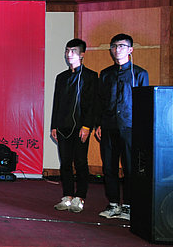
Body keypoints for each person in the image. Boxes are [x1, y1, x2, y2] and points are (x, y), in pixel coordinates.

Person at [95, 33, 148, 221]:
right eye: (114, 46)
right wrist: (98, 124)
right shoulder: (106, 74)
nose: (117, 49)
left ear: (130, 50)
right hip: (108, 125)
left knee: (130, 167)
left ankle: (129, 205)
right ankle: (113, 203)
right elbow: (100, 101)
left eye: (122, 46)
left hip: (129, 127)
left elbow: (143, 104)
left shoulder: (139, 73)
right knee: (109, 167)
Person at [50, 39, 99, 213]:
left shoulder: (90, 76)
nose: (69, 54)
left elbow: (92, 104)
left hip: (81, 127)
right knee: (65, 162)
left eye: (73, 51)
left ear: (82, 54)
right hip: (63, 126)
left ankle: (80, 197)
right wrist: (54, 125)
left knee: (80, 162)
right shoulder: (61, 77)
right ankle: (68, 196)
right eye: (67, 50)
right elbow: (56, 103)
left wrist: (87, 126)